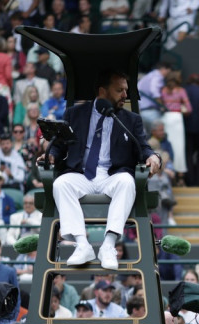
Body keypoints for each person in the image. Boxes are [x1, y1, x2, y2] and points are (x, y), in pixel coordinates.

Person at [48, 69, 160, 270]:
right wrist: (51, 155)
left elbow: (143, 147)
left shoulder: (131, 119)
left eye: (126, 90)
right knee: (60, 183)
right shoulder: (74, 114)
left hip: (112, 176)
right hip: (82, 174)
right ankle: (82, 245)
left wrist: (153, 157)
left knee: (127, 181)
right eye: (120, 90)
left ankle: (108, 246)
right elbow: (59, 145)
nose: (125, 95)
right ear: (102, 91)